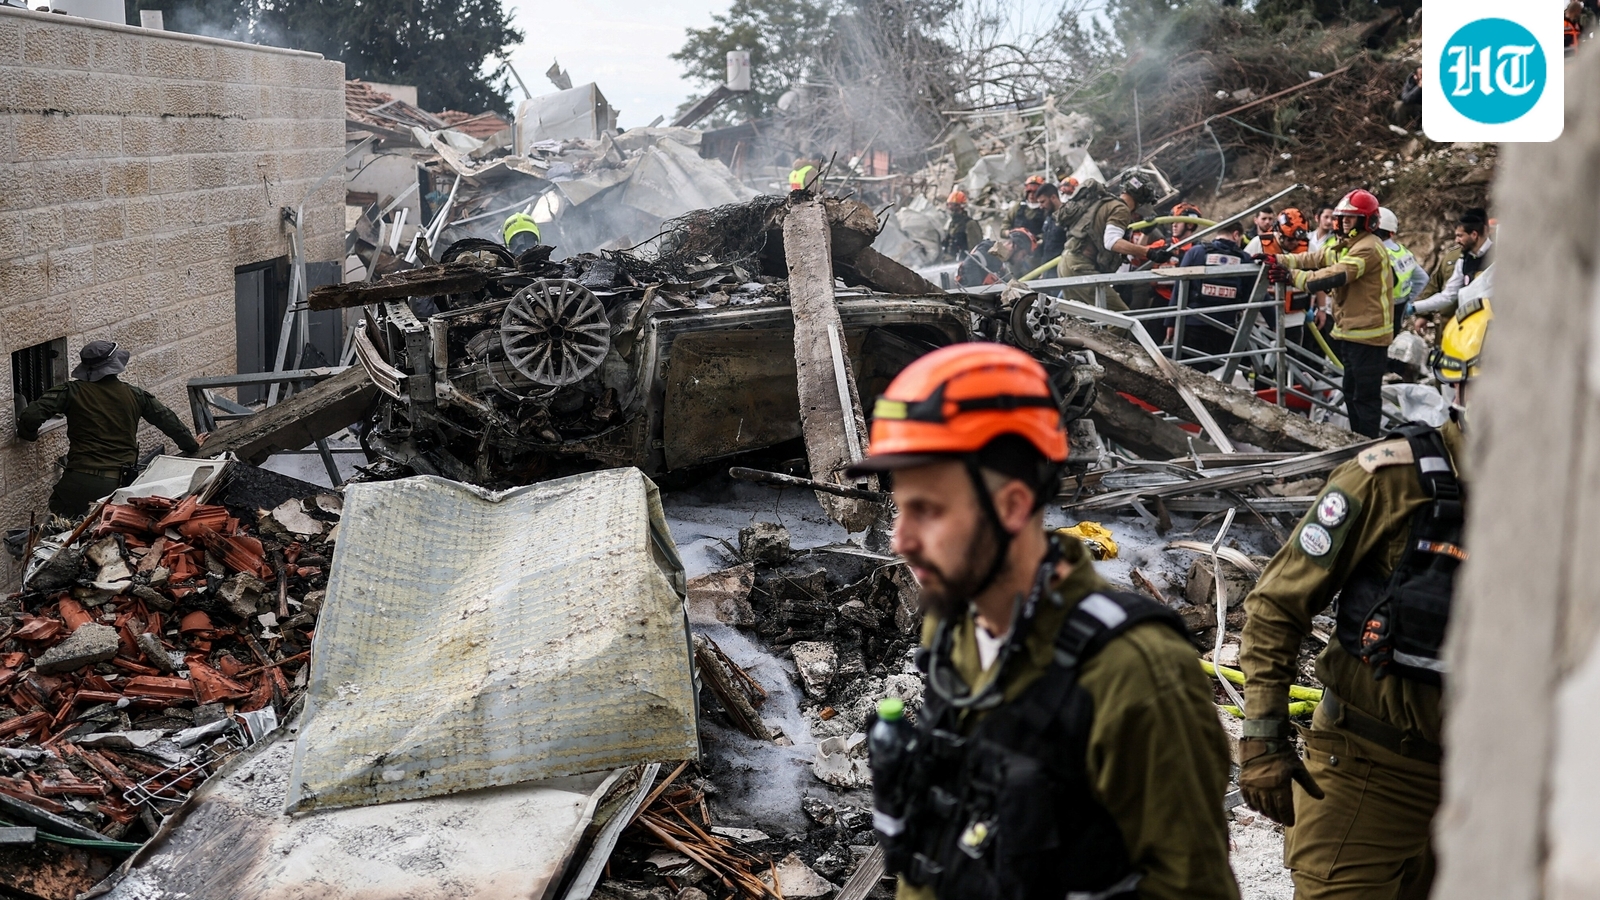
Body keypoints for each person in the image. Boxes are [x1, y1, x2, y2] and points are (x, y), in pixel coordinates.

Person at [851, 343, 1241, 900]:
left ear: (1011, 506)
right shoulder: (954, 625)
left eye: (928, 511)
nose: (900, 540)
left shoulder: (1134, 674)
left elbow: (1192, 885)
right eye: (899, 507)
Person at [1237, 296, 1489, 900]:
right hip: (1370, 771)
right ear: (1460, 389)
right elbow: (1278, 603)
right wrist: (1262, 736)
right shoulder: (1391, 478)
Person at [1261, 189, 1394, 437]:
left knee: (1364, 398)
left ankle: (1366, 447)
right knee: (1351, 394)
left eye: (1349, 219)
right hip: (1352, 334)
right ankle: (1358, 442)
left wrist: (1291, 277)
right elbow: (1316, 257)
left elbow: (1335, 274)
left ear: (1366, 221)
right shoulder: (1346, 244)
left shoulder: (1367, 248)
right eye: (1342, 218)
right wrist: (1278, 259)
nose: (1343, 223)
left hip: (1368, 336)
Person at [16, 341, 202, 518]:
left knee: (64, 534)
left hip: (77, 482)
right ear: (115, 366)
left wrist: (28, 434)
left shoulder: (70, 391)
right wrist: (192, 445)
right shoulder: (135, 395)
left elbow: (30, 416)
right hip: (118, 484)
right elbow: (168, 421)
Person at [1054, 174, 1164, 311]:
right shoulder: (1121, 209)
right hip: (1080, 267)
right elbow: (1112, 242)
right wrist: (1149, 252)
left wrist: (1145, 234)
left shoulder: (1106, 202)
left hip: (1066, 263)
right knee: (1122, 320)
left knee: (1081, 319)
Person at [1170, 219, 1250, 361]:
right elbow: (1253, 293)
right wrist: (1275, 324)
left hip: (1193, 323)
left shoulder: (1195, 252)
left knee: (1191, 371)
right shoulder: (1245, 259)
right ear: (1236, 235)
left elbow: (1179, 289)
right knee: (1221, 375)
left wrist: (1170, 323)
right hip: (1226, 326)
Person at [1414, 208, 1493, 319]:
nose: (1456, 240)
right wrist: (1415, 307)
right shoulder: (1463, 260)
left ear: (1474, 235)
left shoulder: (1498, 256)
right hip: (1471, 323)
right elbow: (1448, 295)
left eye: (1460, 236)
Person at [1150, 202, 1206, 310]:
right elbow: (1138, 253)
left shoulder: (1199, 250)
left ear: (1189, 224)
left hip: (1187, 301)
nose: (1173, 225)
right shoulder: (1163, 244)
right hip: (1162, 299)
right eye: (1172, 222)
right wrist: (1145, 233)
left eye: (1178, 222)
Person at [942, 190, 983, 261]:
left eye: (954, 206)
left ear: (961, 206)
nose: (951, 209)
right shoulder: (952, 223)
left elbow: (975, 248)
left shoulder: (970, 224)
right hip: (950, 261)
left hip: (963, 262)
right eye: (949, 205)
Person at [1033, 182, 1065, 270]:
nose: (1041, 207)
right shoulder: (1049, 218)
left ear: (1053, 197)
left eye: (1043, 202)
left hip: (1061, 269)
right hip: (1048, 269)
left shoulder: (1067, 218)